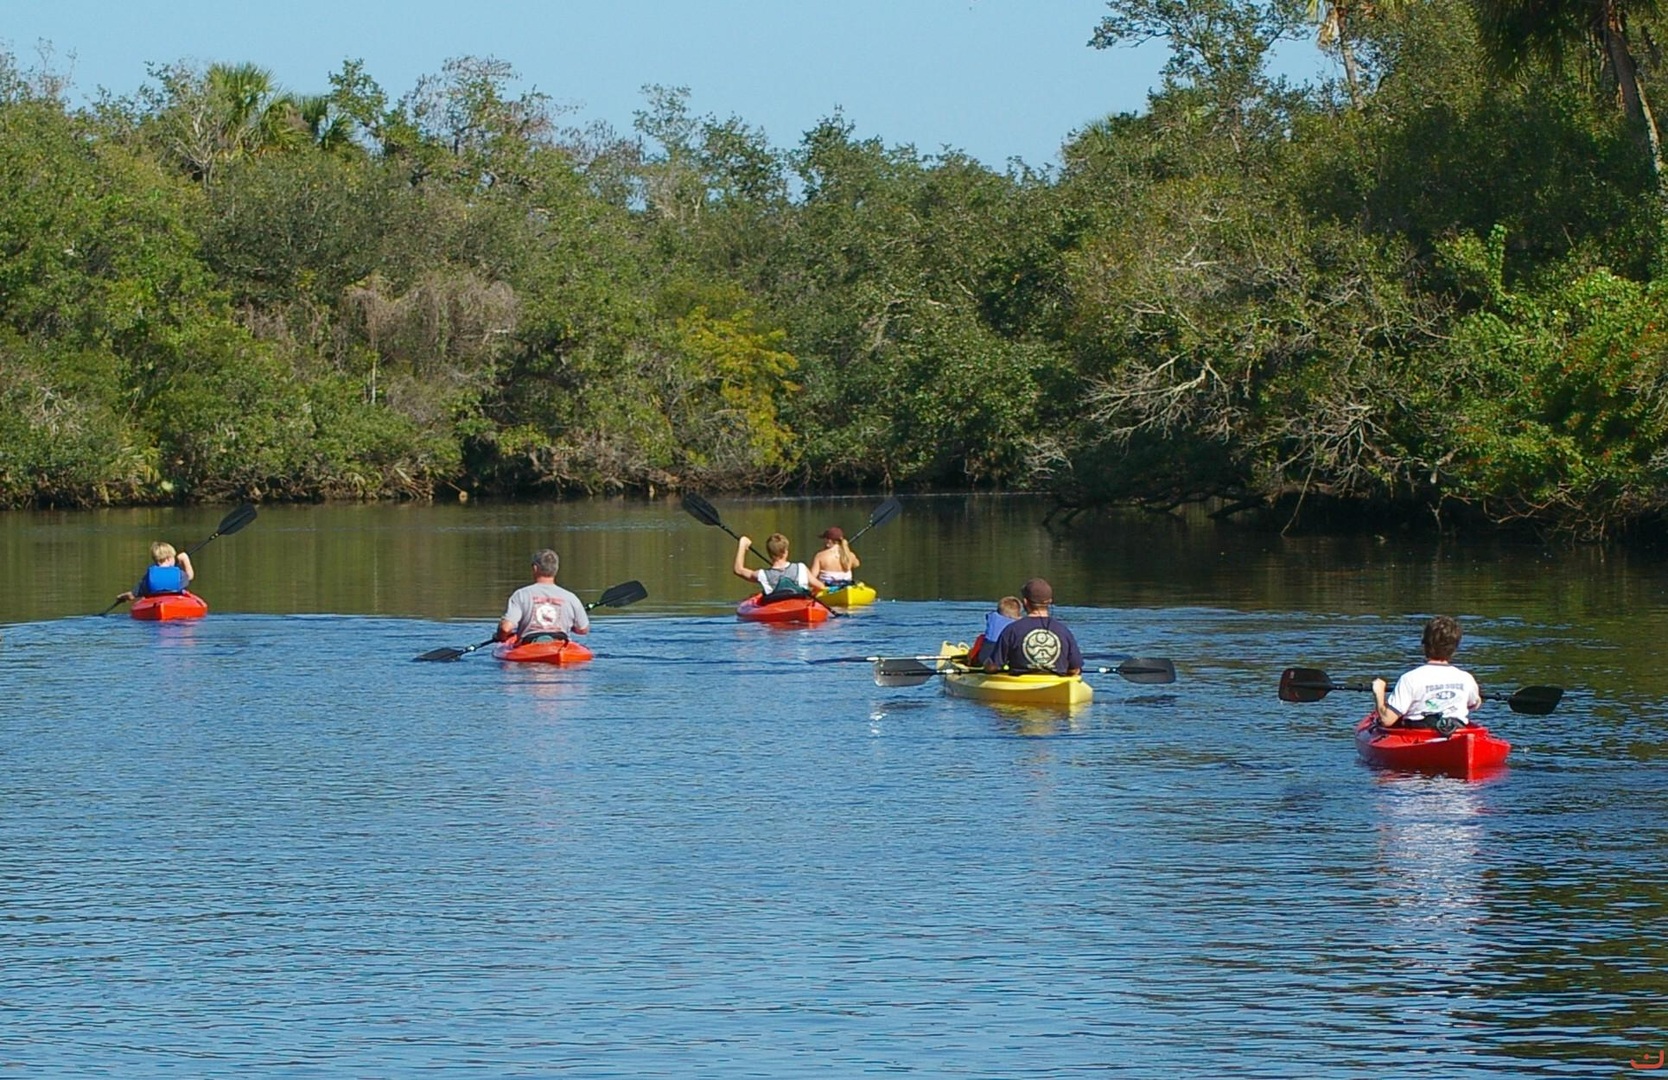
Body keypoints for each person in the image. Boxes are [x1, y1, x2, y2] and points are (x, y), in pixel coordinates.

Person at [1371, 615, 1482, 729]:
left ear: (1424, 645)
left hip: (1418, 733)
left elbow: (1387, 720)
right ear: (1455, 648)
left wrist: (1379, 692)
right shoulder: (1466, 679)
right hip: (1455, 730)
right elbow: (1474, 703)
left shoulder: (1409, 679)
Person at [983, 578, 1084, 676]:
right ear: (1050, 601)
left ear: (1025, 602)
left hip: (1020, 683)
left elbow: (993, 667)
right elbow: (1074, 669)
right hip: (1056, 682)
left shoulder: (1012, 630)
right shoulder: (1063, 631)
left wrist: (986, 664)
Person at [496, 549, 590, 643]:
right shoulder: (571, 597)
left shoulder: (521, 595)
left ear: (535, 568)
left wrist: (500, 637)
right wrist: (570, 625)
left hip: (529, 644)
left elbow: (506, 628)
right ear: (556, 569)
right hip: (560, 644)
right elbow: (583, 629)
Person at [734, 533, 814, 600]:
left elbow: (738, 570)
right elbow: (819, 586)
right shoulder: (801, 568)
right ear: (786, 552)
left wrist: (742, 544)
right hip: (800, 604)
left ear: (769, 554)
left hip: (776, 606)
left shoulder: (762, 575)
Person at [115, 541, 194, 604]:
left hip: (155, 603)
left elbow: (132, 595)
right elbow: (189, 576)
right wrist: (185, 559)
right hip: (175, 602)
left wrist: (121, 597)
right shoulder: (179, 573)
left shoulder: (149, 575)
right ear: (169, 558)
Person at [967, 595, 1024, 665]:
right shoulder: (1018, 623)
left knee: (981, 637)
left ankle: (972, 659)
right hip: (1002, 659)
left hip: (985, 656)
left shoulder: (993, 617)